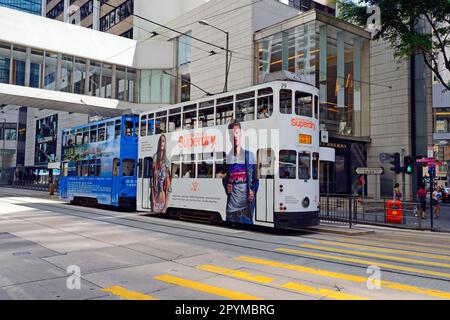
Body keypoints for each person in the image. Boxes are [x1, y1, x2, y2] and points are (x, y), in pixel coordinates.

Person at [222, 119, 259, 224]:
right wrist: (226, 187)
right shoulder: (227, 158)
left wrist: (253, 191)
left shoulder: (249, 156)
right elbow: (224, 179)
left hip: (246, 213)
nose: (234, 136)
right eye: (231, 134)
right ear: (229, 137)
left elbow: (256, 180)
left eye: (237, 133)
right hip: (231, 213)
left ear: (241, 134)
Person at [151, 134, 171, 214]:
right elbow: (152, 180)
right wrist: (152, 201)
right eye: (160, 141)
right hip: (156, 190)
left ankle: (164, 206)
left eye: (163, 141)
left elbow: (169, 185)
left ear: (165, 143)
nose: (162, 143)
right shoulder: (155, 156)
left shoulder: (167, 159)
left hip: (163, 190)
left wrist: (166, 206)